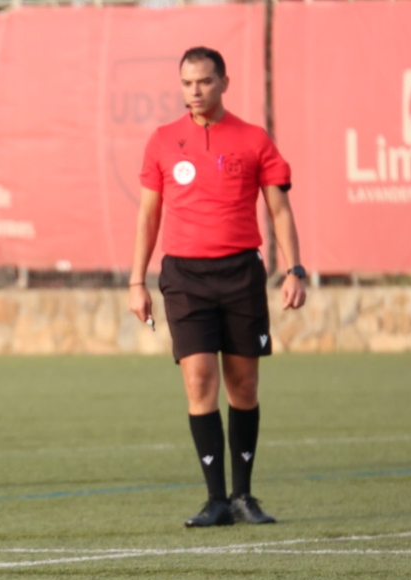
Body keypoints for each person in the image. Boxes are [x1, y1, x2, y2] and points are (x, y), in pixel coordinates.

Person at [128, 46, 306, 527]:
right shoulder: (163, 141)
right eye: (187, 83)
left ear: (224, 82)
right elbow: (148, 215)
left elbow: (280, 210)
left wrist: (295, 268)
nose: (195, 91)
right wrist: (136, 281)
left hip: (241, 273)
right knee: (199, 377)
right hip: (184, 277)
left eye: (204, 81)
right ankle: (216, 500)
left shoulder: (253, 139)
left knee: (243, 384)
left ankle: (244, 496)